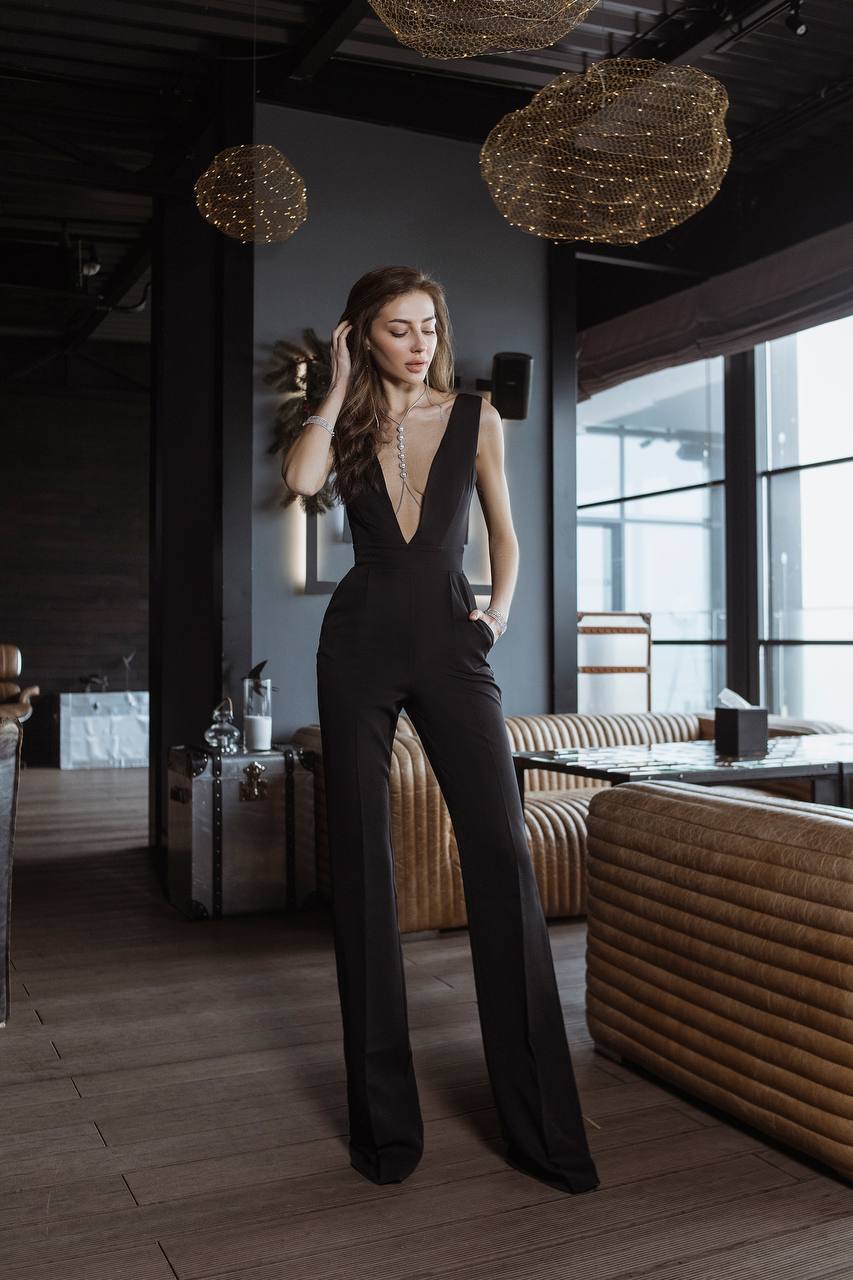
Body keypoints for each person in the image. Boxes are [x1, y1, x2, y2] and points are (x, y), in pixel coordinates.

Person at [282, 265, 600, 1195]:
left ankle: (542, 1127)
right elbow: (299, 483)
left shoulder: (475, 417)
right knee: (364, 865)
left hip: (453, 644)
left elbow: (504, 532)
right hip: (358, 645)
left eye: (427, 326)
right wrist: (334, 387)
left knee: (502, 853)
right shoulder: (341, 424)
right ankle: (385, 1131)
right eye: (396, 329)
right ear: (361, 336)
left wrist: (498, 614)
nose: (418, 344)